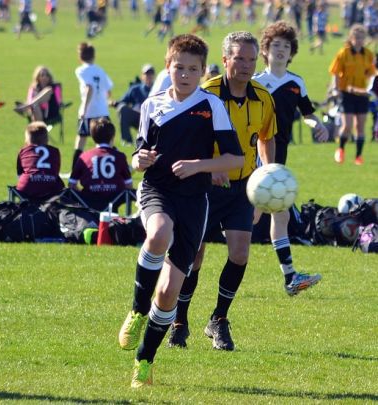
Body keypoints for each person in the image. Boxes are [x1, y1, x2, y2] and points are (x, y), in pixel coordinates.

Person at [117, 34, 243, 388]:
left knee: (169, 292)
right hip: (157, 190)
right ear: (167, 66)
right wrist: (138, 159)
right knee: (157, 234)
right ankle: (137, 310)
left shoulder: (211, 106)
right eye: (178, 68)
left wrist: (199, 165)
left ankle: (144, 361)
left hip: (194, 202)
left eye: (193, 69)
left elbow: (236, 159)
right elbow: (139, 154)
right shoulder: (151, 105)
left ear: (203, 72)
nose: (185, 75)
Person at [166, 31, 277, 351]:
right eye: (239, 58)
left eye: (251, 60)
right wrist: (210, 168)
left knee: (240, 253)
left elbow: (266, 137)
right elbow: (189, 137)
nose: (245, 65)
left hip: (243, 187)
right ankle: (179, 321)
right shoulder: (207, 93)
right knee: (194, 256)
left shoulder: (263, 97)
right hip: (205, 185)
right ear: (225, 59)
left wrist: (265, 179)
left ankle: (218, 319)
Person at [253, 21, 328, 295]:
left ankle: (290, 278)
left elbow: (307, 114)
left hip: (279, 156)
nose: (281, 50)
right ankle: (290, 277)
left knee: (273, 214)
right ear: (265, 50)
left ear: (292, 51)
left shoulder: (296, 83)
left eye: (286, 46)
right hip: (258, 155)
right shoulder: (256, 83)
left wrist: (317, 125)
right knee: (269, 212)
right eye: (276, 46)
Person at [330, 24, 376, 165]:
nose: (359, 40)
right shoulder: (344, 53)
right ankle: (341, 149)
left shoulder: (368, 54)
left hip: (362, 94)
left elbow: (371, 72)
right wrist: (336, 89)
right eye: (356, 37)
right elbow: (336, 72)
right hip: (346, 93)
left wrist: (370, 80)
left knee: (360, 126)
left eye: (362, 38)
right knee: (347, 125)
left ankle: (358, 156)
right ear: (351, 38)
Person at [68, 118, 133, 210]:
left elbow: (71, 184)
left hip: (89, 204)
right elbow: (129, 186)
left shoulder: (84, 156)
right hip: (113, 203)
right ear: (112, 137)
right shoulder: (120, 156)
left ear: (92, 136)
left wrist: (82, 196)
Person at [71, 42, 113, 172]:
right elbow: (108, 90)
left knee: (81, 140)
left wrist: (84, 107)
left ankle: (75, 171)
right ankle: (110, 170)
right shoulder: (100, 70)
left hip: (89, 112)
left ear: (80, 56)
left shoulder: (81, 70)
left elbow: (89, 87)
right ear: (94, 56)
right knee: (106, 141)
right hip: (102, 110)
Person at [16, 121, 65, 200]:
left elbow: (19, 174)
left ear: (28, 139)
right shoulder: (55, 151)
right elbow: (55, 171)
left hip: (27, 188)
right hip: (51, 188)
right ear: (46, 138)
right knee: (59, 184)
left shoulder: (24, 151)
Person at [111, 64, 155, 145]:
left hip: (153, 121)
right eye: (146, 73)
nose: (148, 76)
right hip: (138, 118)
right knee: (122, 108)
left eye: (151, 73)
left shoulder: (158, 89)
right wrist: (114, 103)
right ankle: (127, 141)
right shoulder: (135, 89)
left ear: (154, 76)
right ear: (142, 76)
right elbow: (123, 101)